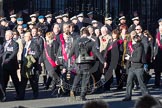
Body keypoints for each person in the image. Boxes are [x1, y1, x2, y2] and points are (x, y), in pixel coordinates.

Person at [69, 27, 107, 101]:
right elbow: (96, 52)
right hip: (87, 63)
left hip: (78, 63)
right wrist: (103, 61)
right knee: (85, 80)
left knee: (78, 77)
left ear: (81, 34)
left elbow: (71, 53)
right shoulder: (90, 42)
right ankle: (82, 96)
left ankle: (72, 90)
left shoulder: (76, 41)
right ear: (88, 34)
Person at [122, 33, 148, 101]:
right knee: (129, 82)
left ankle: (146, 97)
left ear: (136, 40)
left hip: (139, 67)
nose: (131, 41)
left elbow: (138, 59)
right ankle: (128, 96)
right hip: (132, 67)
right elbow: (128, 53)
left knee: (141, 83)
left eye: (133, 40)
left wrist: (129, 58)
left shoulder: (140, 47)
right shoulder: (132, 47)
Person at [18, 32, 40, 100]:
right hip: (24, 65)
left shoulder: (34, 44)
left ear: (30, 37)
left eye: (26, 36)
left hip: (31, 66)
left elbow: (37, 54)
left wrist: (30, 58)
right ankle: (21, 96)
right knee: (23, 82)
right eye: (24, 36)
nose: (25, 38)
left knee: (32, 81)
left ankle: (35, 95)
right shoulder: (24, 44)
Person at [2, 30, 20, 99]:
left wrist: (8, 59)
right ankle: (3, 96)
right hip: (4, 66)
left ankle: (19, 94)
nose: (6, 36)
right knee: (4, 82)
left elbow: (14, 53)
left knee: (15, 81)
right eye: (6, 35)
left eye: (7, 35)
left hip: (12, 65)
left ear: (11, 36)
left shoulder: (15, 43)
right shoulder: (4, 43)